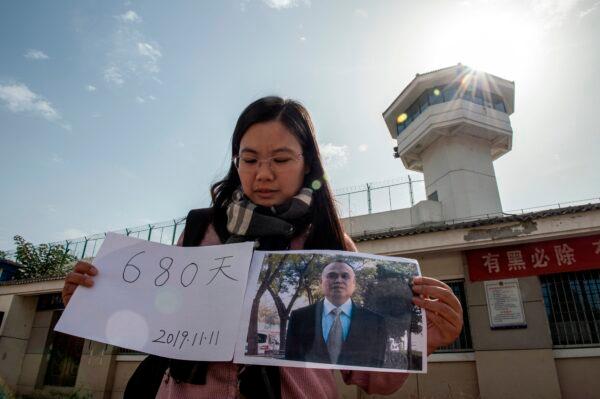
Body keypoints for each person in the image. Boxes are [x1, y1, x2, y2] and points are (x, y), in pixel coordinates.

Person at [61, 96, 464, 399]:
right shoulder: (200, 231)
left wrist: (421, 338)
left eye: (281, 159)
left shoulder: (332, 248)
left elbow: (370, 376)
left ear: (307, 163)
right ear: (236, 162)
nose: (263, 173)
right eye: (249, 159)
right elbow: (155, 319)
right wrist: (92, 299)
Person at [285, 261, 387, 367]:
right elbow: (290, 361)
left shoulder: (375, 322)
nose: (338, 280)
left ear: (354, 284)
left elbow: (377, 366)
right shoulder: (299, 318)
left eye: (345, 276)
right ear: (321, 282)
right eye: (332, 275)